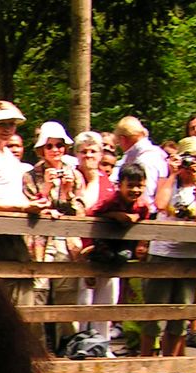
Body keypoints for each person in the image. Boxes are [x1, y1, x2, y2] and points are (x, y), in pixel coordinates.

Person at [0, 101, 52, 348]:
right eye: (2, 124)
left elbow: (10, 194)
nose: (7, 129)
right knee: (2, 298)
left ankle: (24, 356)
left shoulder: (4, 154)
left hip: (14, 233)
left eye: (11, 124)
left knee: (23, 294)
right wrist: (23, 208)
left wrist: (36, 203)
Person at [143, 137, 196, 364]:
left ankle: (170, 364)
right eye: (188, 159)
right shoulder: (169, 181)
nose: (192, 164)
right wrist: (174, 173)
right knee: (154, 314)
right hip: (163, 253)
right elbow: (162, 204)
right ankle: (145, 364)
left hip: (190, 256)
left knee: (180, 314)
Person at [22, 121, 85, 350]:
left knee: (66, 300)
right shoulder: (30, 176)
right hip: (38, 245)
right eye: (50, 146)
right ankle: (38, 353)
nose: (56, 150)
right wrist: (47, 189)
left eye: (60, 145)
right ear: (41, 150)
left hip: (66, 244)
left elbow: (80, 211)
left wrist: (67, 193)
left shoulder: (75, 176)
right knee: (37, 297)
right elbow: (30, 206)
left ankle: (68, 351)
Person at [75, 131, 122, 342]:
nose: (88, 155)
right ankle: (81, 344)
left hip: (106, 248)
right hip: (80, 249)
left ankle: (103, 344)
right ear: (77, 154)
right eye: (83, 151)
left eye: (93, 151)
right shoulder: (72, 177)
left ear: (101, 153)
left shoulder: (109, 183)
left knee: (107, 300)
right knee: (83, 301)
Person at [115, 116, 169, 210]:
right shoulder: (157, 154)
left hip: (145, 215)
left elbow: (145, 196)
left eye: (118, 142)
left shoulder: (145, 160)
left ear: (122, 139)